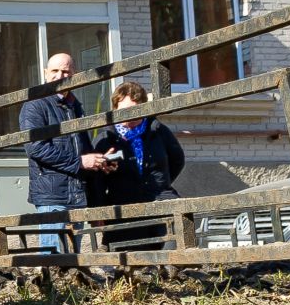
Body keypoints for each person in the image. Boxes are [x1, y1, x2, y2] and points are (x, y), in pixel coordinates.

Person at [19, 53, 111, 253]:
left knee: (70, 261)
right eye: (55, 71)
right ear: (45, 73)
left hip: (76, 194)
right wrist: (80, 161)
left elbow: (84, 150)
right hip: (53, 196)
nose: (60, 76)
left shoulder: (75, 106)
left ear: (74, 75)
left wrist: (98, 161)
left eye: (66, 71)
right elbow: (35, 148)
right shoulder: (35, 104)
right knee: (54, 259)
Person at [92, 80, 186, 253]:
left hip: (157, 197)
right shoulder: (106, 138)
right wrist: (99, 210)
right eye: (124, 112)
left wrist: (159, 182)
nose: (129, 118)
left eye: (135, 112)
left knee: (177, 228)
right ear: (115, 109)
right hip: (122, 202)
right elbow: (96, 180)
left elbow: (177, 159)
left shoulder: (157, 130)